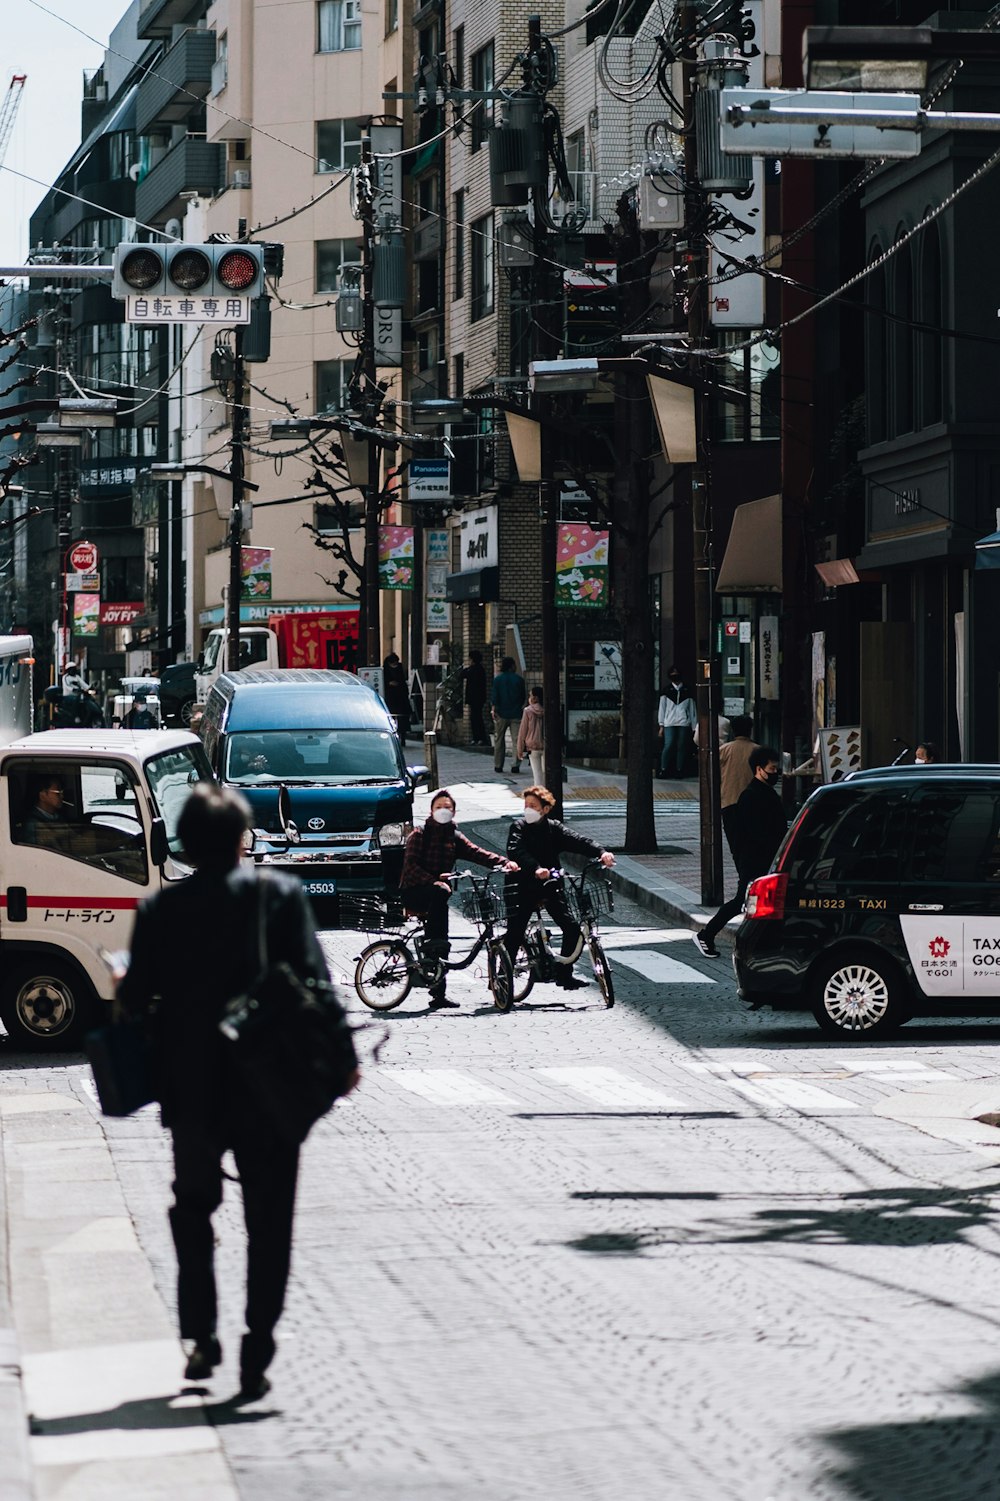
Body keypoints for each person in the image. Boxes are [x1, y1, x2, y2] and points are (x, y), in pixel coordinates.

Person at [119, 783, 359, 1399]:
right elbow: (316, 984)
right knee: (270, 1222)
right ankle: (258, 1347)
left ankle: (200, 1335)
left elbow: (132, 999)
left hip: (191, 1085)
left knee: (193, 1211)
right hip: (270, 1083)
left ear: (187, 843)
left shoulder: (159, 911)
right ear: (241, 838)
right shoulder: (277, 895)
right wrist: (344, 1056)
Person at [398, 788, 517, 1010]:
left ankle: (438, 992)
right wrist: (433, 880)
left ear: (454, 812)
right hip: (414, 891)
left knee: (443, 941)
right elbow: (410, 867)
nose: (443, 811)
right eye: (439, 807)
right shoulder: (420, 834)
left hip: (437, 897)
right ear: (431, 810)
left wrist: (504, 863)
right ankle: (433, 943)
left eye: (448, 808)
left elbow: (478, 853)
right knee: (441, 899)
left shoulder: (454, 836)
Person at [505, 786, 615, 990]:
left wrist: (602, 852)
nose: (528, 809)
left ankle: (564, 974)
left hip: (550, 885)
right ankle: (503, 977)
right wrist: (536, 868)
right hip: (522, 885)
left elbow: (578, 840)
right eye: (526, 805)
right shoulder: (518, 827)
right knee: (515, 931)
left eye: (533, 806)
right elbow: (515, 850)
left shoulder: (553, 828)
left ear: (545, 809)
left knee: (572, 928)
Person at [692, 745, 786, 958]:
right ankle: (707, 935)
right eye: (772, 769)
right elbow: (756, 832)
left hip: (762, 858)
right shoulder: (752, 796)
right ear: (759, 769)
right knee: (742, 901)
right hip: (756, 860)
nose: (775, 773)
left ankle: (759, 943)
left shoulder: (763, 793)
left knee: (757, 902)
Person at [717, 716, 759, 859]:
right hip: (754, 803)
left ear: (733, 731)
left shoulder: (723, 750)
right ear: (750, 730)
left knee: (736, 845)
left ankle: (742, 872)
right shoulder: (757, 751)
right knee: (753, 843)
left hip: (729, 801)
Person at [657, 667, 697, 778]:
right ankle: (663, 768)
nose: (675, 676)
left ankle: (679, 769)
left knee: (681, 746)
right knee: (668, 745)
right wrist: (661, 725)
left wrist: (694, 727)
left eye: (677, 674)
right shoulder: (666, 691)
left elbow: (692, 710)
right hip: (669, 722)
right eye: (673, 674)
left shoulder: (687, 690)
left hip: (684, 722)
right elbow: (662, 709)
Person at [492, 656, 527, 774]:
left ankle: (498, 765)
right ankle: (515, 765)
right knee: (517, 740)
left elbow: (495, 697)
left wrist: (494, 709)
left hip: (501, 713)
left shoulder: (497, 680)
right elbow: (523, 697)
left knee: (499, 740)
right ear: (512, 666)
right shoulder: (519, 680)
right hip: (516, 713)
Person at [22, 775, 74, 845]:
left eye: (62, 792)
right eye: (58, 793)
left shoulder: (59, 818)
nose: (62, 796)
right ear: (43, 796)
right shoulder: (32, 824)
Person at [517, 686, 545, 785]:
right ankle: (547, 794)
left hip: (532, 746)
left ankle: (539, 795)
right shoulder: (548, 710)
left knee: (537, 775)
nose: (529, 698)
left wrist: (520, 749)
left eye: (530, 695)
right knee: (546, 773)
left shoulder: (528, 711)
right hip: (547, 745)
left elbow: (522, 731)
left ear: (535, 698)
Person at [381, 652, 410, 745]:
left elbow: (403, 682)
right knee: (390, 716)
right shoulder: (384, 670)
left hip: (401, 696)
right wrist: (389, 683)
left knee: (402, 718)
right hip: (390, 696)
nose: (395, 665)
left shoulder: (400, 668)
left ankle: (403, 737)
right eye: (393, 663)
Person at [463, 650, 489, 746]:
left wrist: (467, 667)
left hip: (475, 698)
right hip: (479, 698)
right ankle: (478, 738)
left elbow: (462, 674)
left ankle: (479, 738)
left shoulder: (474, 669)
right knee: (476, 718)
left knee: (476, 718)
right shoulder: (480, 669)